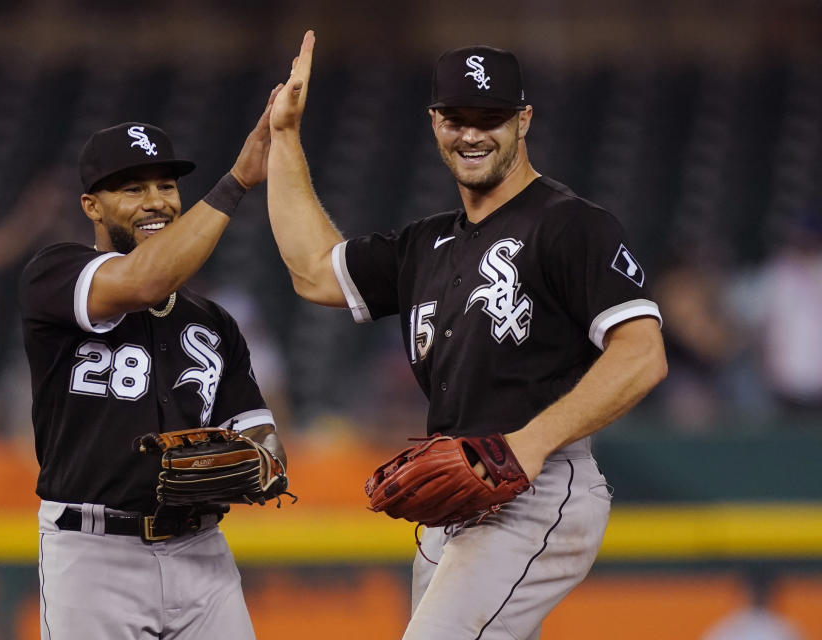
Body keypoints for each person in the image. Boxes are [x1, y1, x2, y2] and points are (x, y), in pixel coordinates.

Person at [266, 32, 667, 639]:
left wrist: (527, 447)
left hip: (537, 489)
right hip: (453, 502)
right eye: (457, 117)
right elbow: (315, 271)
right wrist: (285, 136)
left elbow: (642, 355)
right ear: (434, 122)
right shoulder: (426, 244)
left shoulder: (570, 225)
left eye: (492, 118)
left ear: (524, 120)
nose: (472, 133)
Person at [19, 87, 286, 639]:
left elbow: (260, 432)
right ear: (91, 205)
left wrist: (253, 462)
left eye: (166, 185)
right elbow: (144, 280)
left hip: (201, 552)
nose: (156, 201)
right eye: (132, 188)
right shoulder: (54, 276)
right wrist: (236, 182)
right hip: (93, 556)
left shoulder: (213, 321)